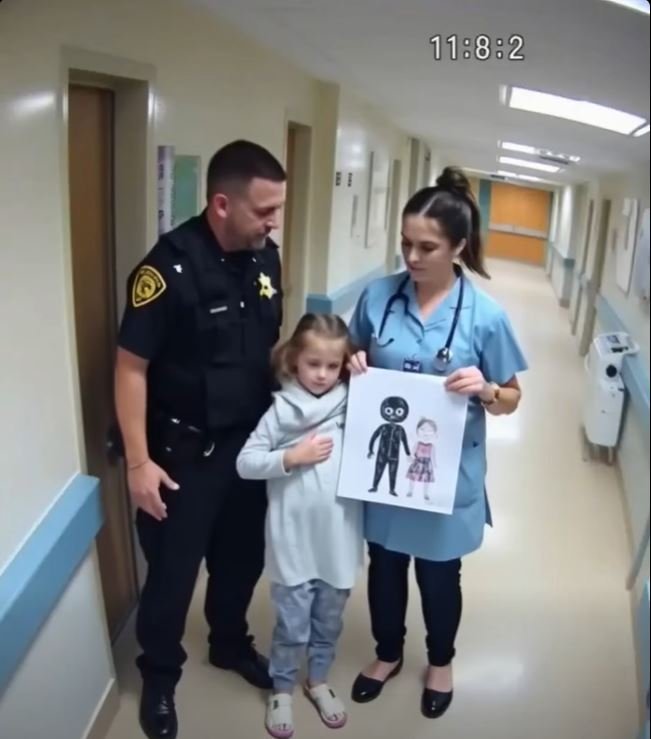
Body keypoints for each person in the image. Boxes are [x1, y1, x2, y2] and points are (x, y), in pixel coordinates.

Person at [114, 140, 286, 739]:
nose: (274, 221)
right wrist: (138, 462)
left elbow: (265, 348)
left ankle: (229, 644)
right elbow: (130, 368)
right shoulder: (166, 271)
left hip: (249, 448)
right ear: (221, 204)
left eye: (277, 208)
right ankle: (160, 677)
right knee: (172, 576)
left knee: (241, 562)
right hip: (182, 456)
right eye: (264, 210)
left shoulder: (266, 261)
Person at [347, 166, 527, 719]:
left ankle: (440, 661)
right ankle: (387, 653)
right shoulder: (378, 297)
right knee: (384, 567)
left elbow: (512, 398)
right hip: (386, 469)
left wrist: (487, 389)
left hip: (445, 474)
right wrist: (350, 362)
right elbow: (346, 355)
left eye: (426, 247)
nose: (412, 256)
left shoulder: (487, 317)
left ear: (458, 247)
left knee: (439, 573)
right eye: (405, 243)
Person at [236, 314, 363, 739]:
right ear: (294, 360)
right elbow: (245, 463)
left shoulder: (353, 402)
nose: (323, 375)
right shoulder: (281, 411)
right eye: (313, 364)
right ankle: (282, 688)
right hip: (292, 542)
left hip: (338, 541)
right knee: (292, 625)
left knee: (329, 622)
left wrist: (365, 376)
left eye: (332, 365)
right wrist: (290, 458)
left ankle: (318, 680)